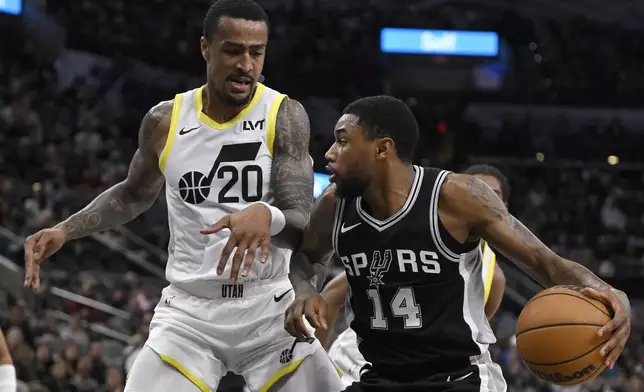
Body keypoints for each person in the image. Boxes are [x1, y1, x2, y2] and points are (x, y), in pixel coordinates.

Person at [23, 1, 343, 391]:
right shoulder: (164, 121)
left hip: (268, 305)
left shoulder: (284, 115)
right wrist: (65, 230)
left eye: (255, 53)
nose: (246, 65)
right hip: (190, 310)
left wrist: (267, 215)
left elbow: (302, 219)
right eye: (233, 50)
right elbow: (133, 194)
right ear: (206, 48)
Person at [284, 95, 631, 392]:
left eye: (343, 141)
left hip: (457, 378)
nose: (329, 153)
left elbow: (544, 261)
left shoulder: (454, 197)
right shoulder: (334, 205)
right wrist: (303, 289)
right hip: (379, 376)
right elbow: (307, 258)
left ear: (382, 148)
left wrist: (609, 292)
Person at [315, 165, 509, 386]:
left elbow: (468, 341)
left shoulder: (494, 278)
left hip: (422, 371)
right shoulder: (416, 239)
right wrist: (316, 366)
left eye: (491, 194)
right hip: (359, 358)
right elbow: (331, 296)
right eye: (474, 191)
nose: (480, 199)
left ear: (504, 207)